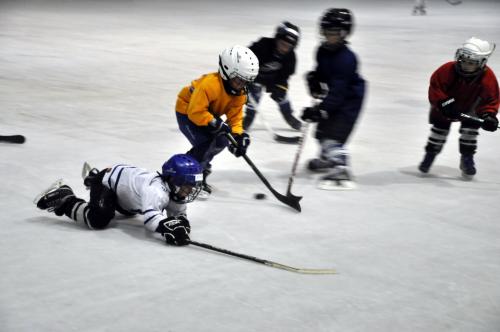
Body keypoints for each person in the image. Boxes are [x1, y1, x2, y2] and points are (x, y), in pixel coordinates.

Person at [34, 154, 203, 246]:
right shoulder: (156, 190)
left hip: (124, 193)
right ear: (173, 181)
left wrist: (180, 225)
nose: (190, 190)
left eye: (192, 186)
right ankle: (65, 197)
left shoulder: (174, 190)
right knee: (98, 219)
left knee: (127, 211)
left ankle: (91, 179)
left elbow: (178, 215)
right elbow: (151, 219)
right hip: (108, 182)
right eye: (187, 185)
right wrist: (166, 227)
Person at [175, 45, 259, 197]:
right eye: (239, 80)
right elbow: (195, 112)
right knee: (204, 144)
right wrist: (214, 123)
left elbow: (235, 119)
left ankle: (200, 166)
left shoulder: (240, 94)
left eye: (245, 81)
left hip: (208, 114)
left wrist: (239, 137)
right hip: (187, 112)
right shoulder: (209, 85)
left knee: (222, 141)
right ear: (226, 70)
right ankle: (187, 179)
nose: (242, 85)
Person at [301, 8, 366, 188]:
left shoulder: (346, 59)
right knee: (322, 132)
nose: (329, 36)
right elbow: (323, 73)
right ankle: (327, 159)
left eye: (334, 33)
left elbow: (339, 92)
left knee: (334, 135)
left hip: (350, 100)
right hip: (336, 96)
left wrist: (320, 111)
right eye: (326, 32)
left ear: (344, 33)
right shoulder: (322, 51)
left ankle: (341, 169)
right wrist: (314, 79)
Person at [418, 37, 498, 179]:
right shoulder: (447, 70)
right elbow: (436, 87)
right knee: (438, 132)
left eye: (471, 63)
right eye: (463, 60)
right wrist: (445, 103)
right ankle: (430, 154)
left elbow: (491, 98)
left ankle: (467, 158)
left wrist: (489, 116)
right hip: (445, 107)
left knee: (470, 133)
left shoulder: (487, 77)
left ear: (481, 63)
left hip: (471, 108)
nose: (466, 65)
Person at [243, 21, 302, 131]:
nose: (284, 49)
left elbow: (284, 76)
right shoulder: (262, 46)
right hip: (255, 77)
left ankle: (289, 116)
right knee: (255, 93)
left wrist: (281, 87)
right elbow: (244, 58)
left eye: (288, 47)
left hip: (273, 79)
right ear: (276, 39)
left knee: (282, 96)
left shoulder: (290, 57)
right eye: (282, 44)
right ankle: (249, 117)